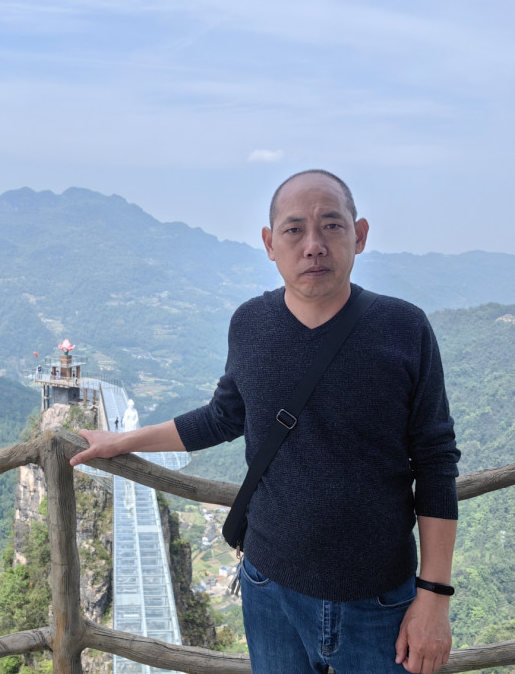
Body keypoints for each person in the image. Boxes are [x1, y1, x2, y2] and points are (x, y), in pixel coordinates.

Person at [70, 169, 460, 674]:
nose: (313, 245)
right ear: (270, 244)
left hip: (380, 601)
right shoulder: (251, 324)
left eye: (332, 226)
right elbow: (223, 416)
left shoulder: (404, 328)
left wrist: (434, 596)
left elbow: (435, 461)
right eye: (294, 229)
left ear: (360, 235)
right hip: (268, 588)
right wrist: (122, 441)